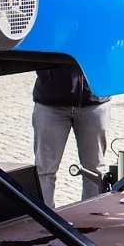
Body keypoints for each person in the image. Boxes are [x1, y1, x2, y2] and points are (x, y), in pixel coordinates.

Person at [32, 63, 109, 208]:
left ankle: (93, 219)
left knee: (94, 170)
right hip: (50, 100)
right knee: (44, 169)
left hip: (95, 102)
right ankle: (43, 221)